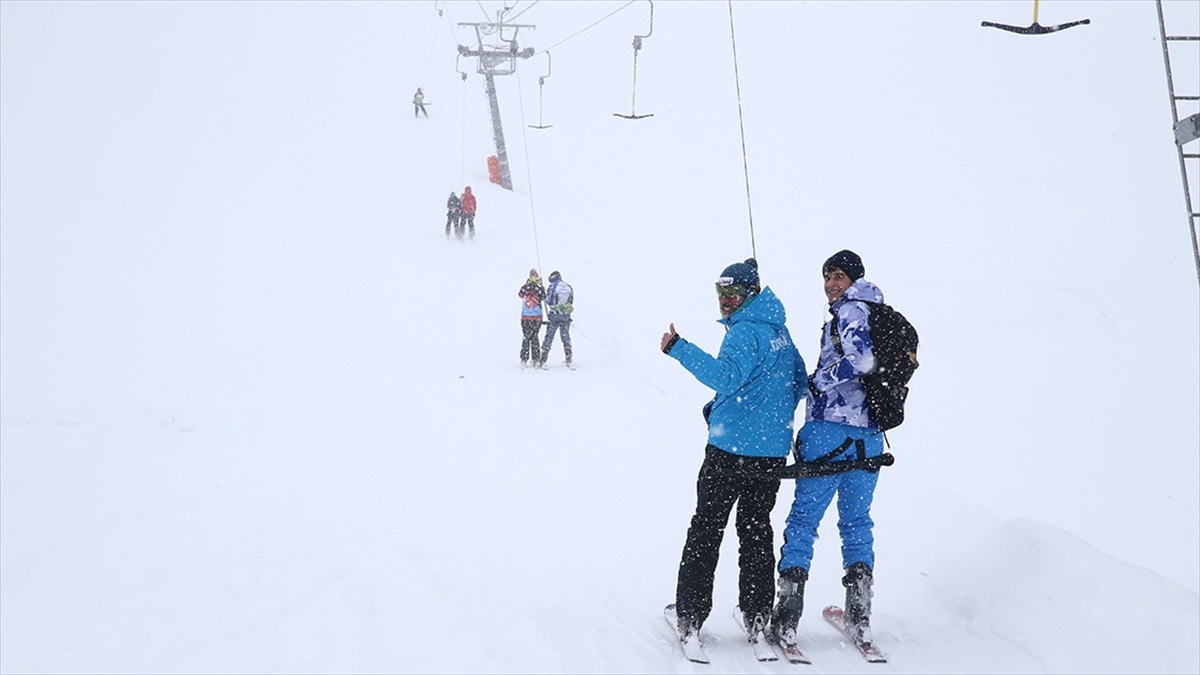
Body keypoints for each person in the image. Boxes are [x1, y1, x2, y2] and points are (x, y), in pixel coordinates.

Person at [659, 257, 807, 647]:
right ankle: (757, 614)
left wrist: (678, 348)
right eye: (720, 292)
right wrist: (772, 423)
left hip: (729, 449)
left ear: (750, 293)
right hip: (770, 455)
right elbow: (798, 381)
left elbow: (725, 377)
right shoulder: (780, 331)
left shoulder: (743, 332)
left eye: (733, 292)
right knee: (755, 529)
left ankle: (690, 616)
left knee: (707, 528)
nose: (725, 300)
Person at [770, 249, 887, 648]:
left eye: (839, 275)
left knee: (803, 522)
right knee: (856, 523)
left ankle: (786, 617)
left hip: (829, 431)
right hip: (868, 435)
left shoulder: (851, 311)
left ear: (853, 278)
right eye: (828, 277)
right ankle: (860, 616)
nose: (832, 284)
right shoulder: (874, 310)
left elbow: (862, 360)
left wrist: (819, 380)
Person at [538, 271, 574, 368]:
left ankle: (543, 360)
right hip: (566, 315)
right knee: (566, 337)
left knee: (549, 337)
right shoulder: (568, 287)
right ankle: (569, 358)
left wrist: (545, 297)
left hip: (554, 315)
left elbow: (549, 301)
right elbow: (571, 301)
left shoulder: (553, 287)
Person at [518, 269, 546, 367]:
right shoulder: (539, 288)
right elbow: (544, 297)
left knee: (526, 337)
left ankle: (524, 359)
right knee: (535, 337)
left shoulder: (525, 287)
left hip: (526, 316)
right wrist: (541, 286)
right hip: (537, 316)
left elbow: (520, 294)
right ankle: (536, 359)